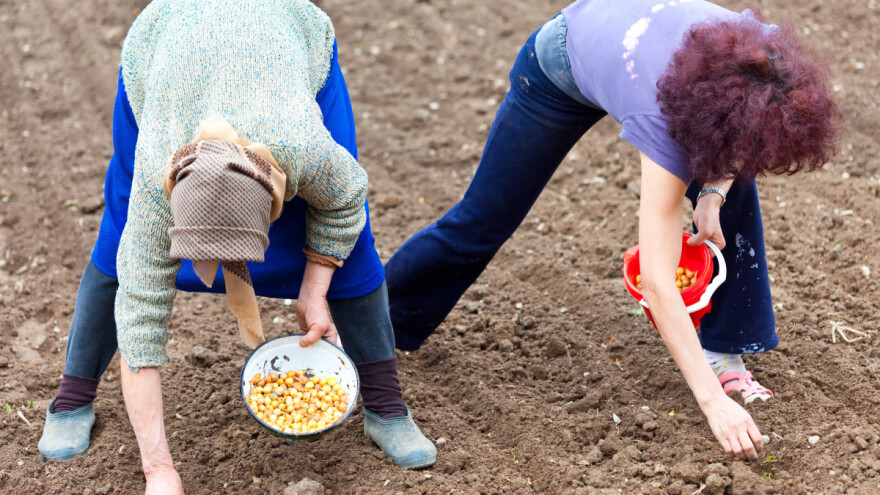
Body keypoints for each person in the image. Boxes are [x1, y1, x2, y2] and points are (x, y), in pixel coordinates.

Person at [385, 0, 841, 461]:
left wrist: (714, 194)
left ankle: (724, 347)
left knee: (737, 195)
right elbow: (659, 284)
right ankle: (376, 318)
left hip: (641, 55)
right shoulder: (660, 123)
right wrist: (713, 404)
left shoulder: (764, 58)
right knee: (482, 220)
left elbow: (745, 141)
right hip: (563, 62)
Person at [37, 0, 436, 490]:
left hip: (283, 30)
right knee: (120, 244)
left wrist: (313, 289)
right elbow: (141, 317)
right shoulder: (154, 181)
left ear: (276, 190)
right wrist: (158, 469)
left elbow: (345, 198)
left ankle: (385, 404)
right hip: (165, 49)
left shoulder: (301, 144)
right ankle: (73, 396)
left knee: (351, 247)